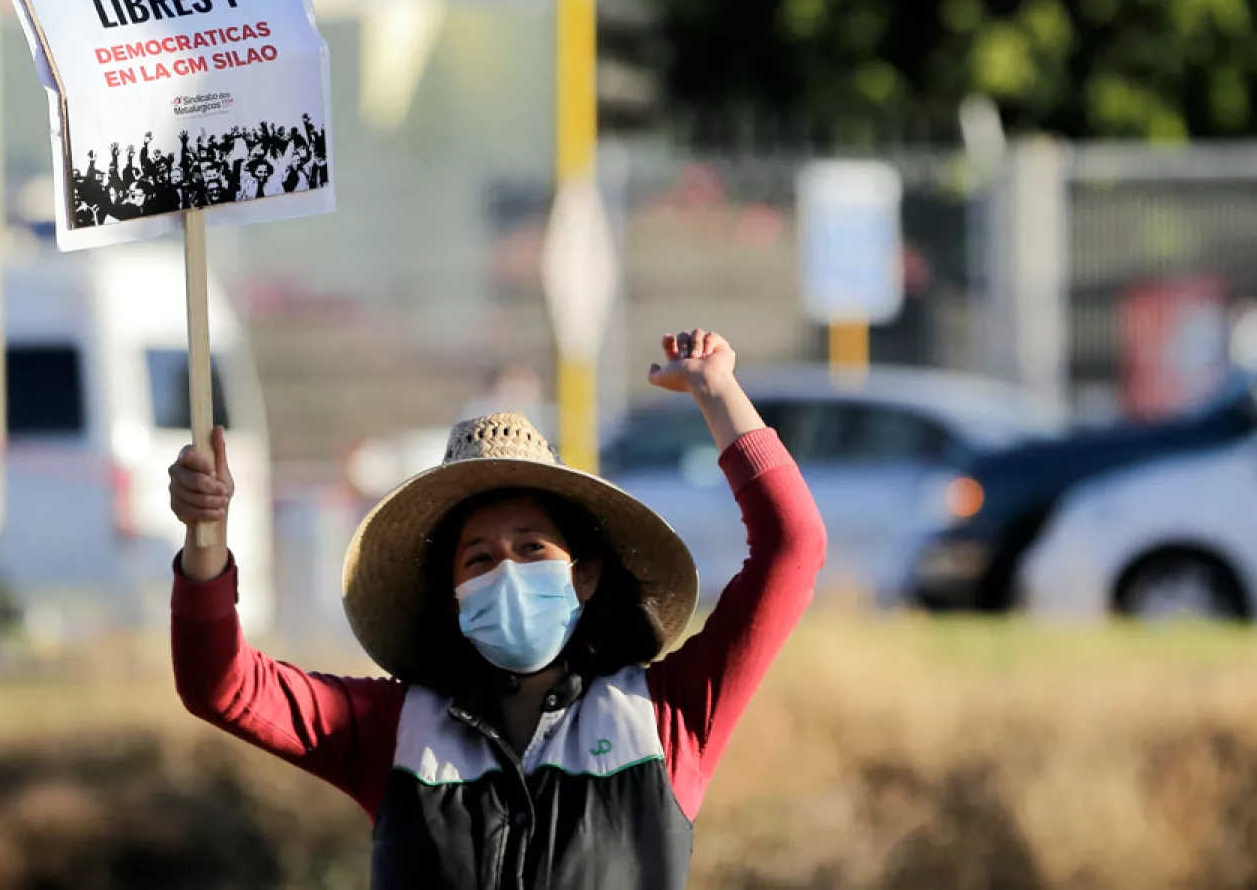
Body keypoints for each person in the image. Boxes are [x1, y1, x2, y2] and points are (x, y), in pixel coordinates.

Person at [168, 328, 826, 889]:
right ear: (453, 598)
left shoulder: (665, 719)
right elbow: (221, 684)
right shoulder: (392, 729)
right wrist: (206, 537)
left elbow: (791, 549)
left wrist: (718, 393)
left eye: (532, 546)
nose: (507, 569)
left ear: (586, 575)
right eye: (478, 558)